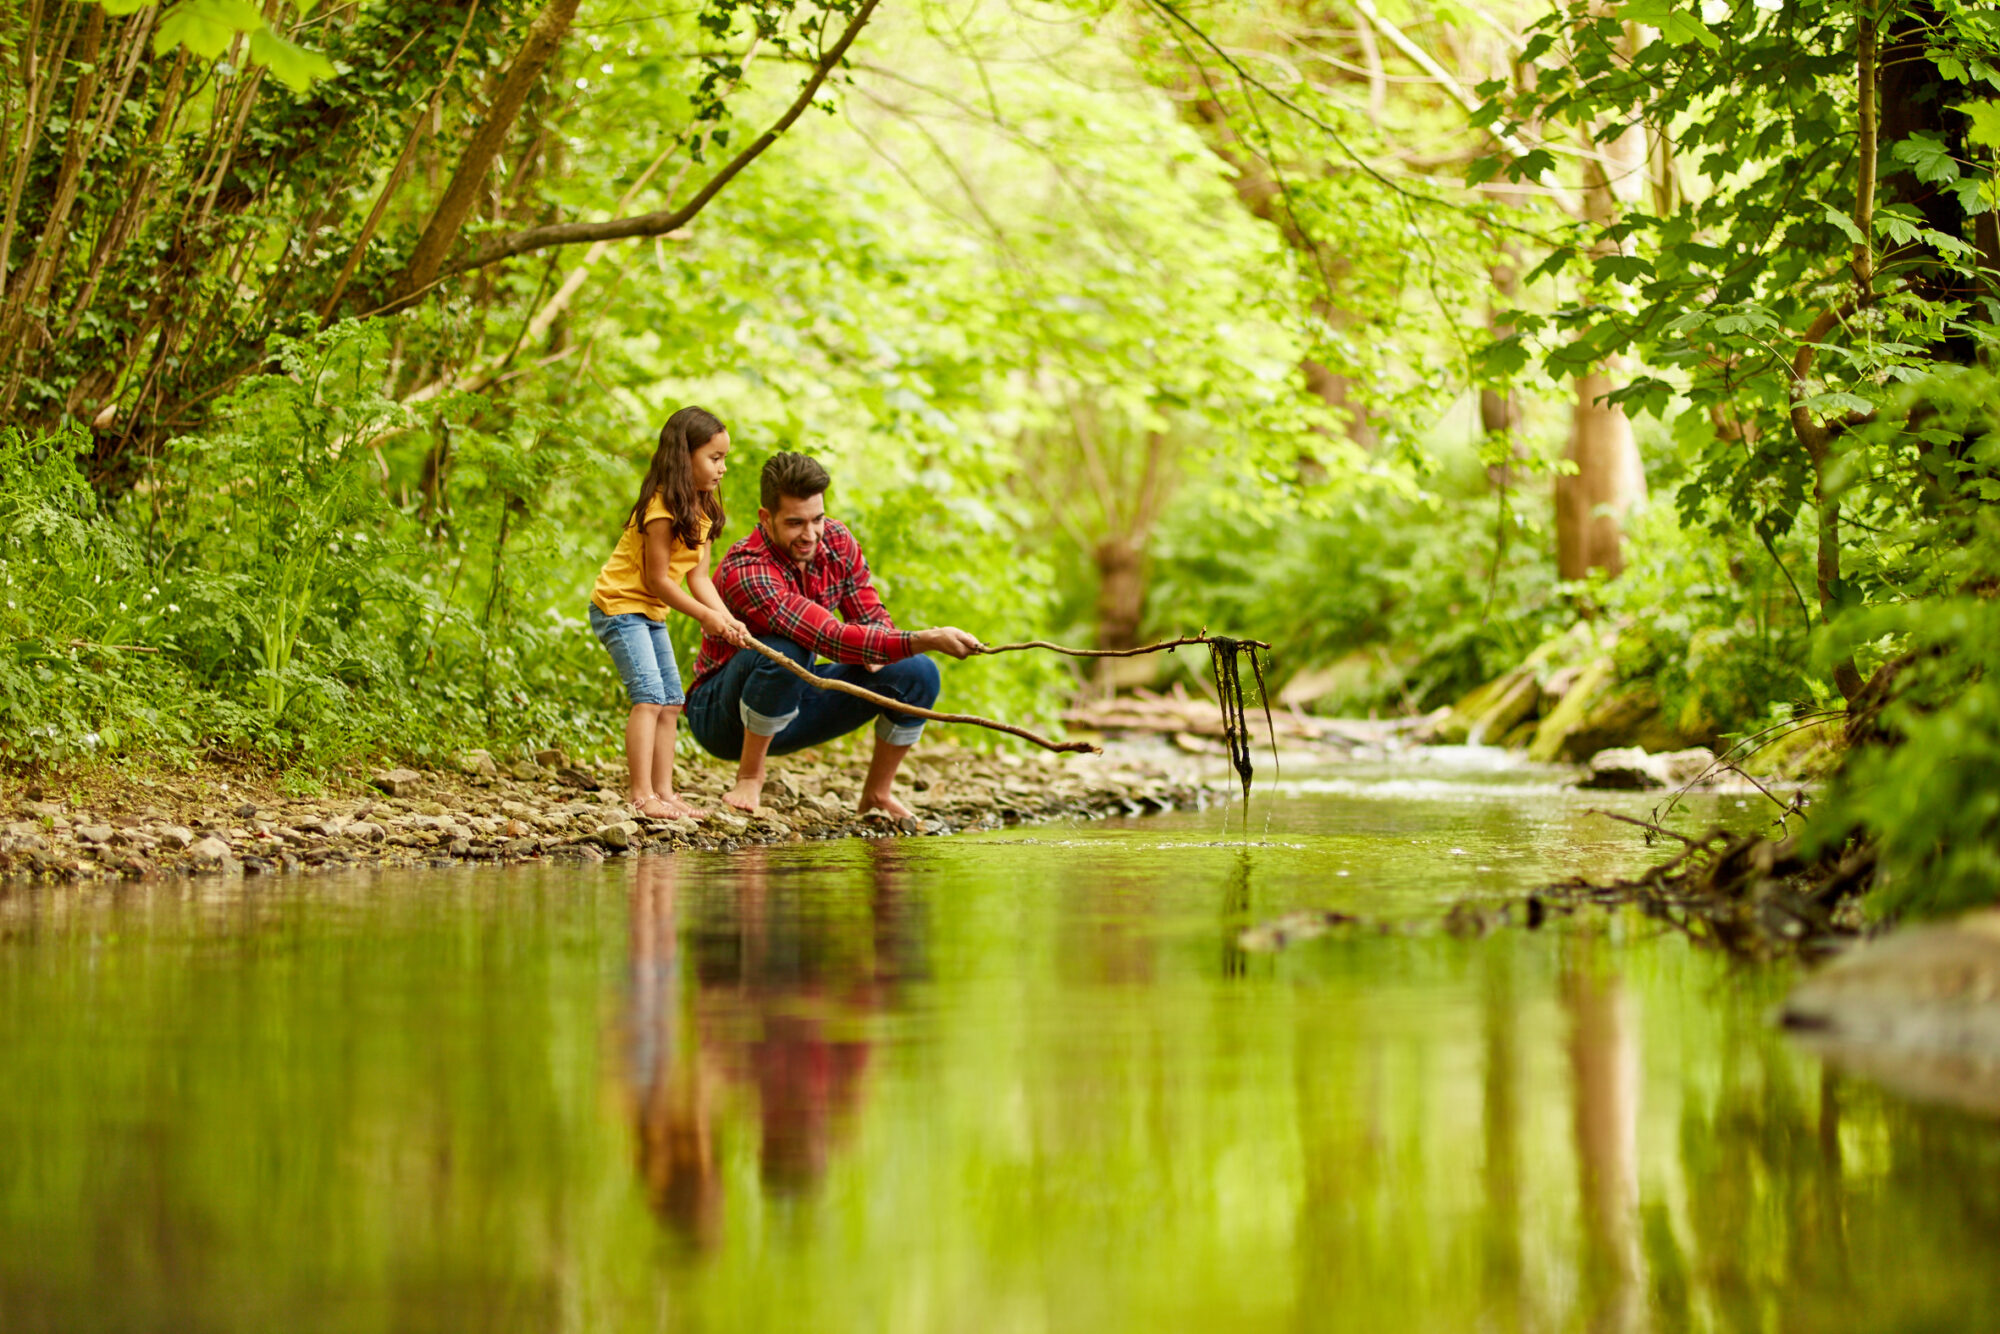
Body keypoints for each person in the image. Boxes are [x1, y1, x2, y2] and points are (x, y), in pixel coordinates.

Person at [684, 451, 982, 817]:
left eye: (817, 519)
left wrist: (878, 649)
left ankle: (876, 794)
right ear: (766, 518)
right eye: (795, 523)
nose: (809, 535)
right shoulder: (747, 568)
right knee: (789, 649)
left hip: (794, 704)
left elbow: (871, 616)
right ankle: (750, 775)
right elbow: (829, 638)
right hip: (721, 717)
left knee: (918, 673)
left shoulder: (837, 540)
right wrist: (930, 637)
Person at [589, 405, 752, 821]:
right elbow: (659, 579)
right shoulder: (660, 509)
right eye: (714, 458)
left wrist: (727, 618)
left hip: (650, 613)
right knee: (648, 697)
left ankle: (665, 792)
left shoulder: (703, 512)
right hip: (620, 606)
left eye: (724, 459)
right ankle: (641, 795)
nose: (722, 469)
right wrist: (705, 618)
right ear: (685, 457)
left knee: (672, 701)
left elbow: (699, 579)